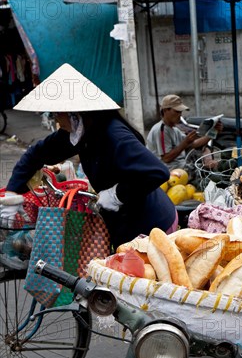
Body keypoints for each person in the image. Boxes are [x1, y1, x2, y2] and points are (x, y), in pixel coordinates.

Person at [0, 63, 177, 248]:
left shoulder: (115, 136)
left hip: (153, 226)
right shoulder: (79, 133)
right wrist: (13, 193)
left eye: (56, 114)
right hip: (122, 224)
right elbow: (36, 153)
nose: (56, 120)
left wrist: (117, 194)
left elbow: (157, 172)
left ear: (74, 113)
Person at [147, 94, 222, 171]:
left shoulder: (175, 130)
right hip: (171, 172)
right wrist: (185, 143)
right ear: (166, 110)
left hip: (182, 167)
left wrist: (213, 132)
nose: (180, 114)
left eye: (180, 112)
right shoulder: (161, 130)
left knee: (209, 156)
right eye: (177, 111)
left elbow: (194, 144)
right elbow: (166, 158)